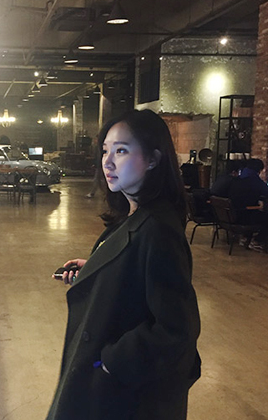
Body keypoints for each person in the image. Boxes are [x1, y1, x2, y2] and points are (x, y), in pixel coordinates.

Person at [48, 110, 201, 420]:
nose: (107, 162)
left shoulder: (158, 229)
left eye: (121, 151)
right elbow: (134, 276)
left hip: (125, 397)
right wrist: (96, 269)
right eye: (105, 150)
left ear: (153, 159)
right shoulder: (132, 216)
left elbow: (177, 329)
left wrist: (110, 363)